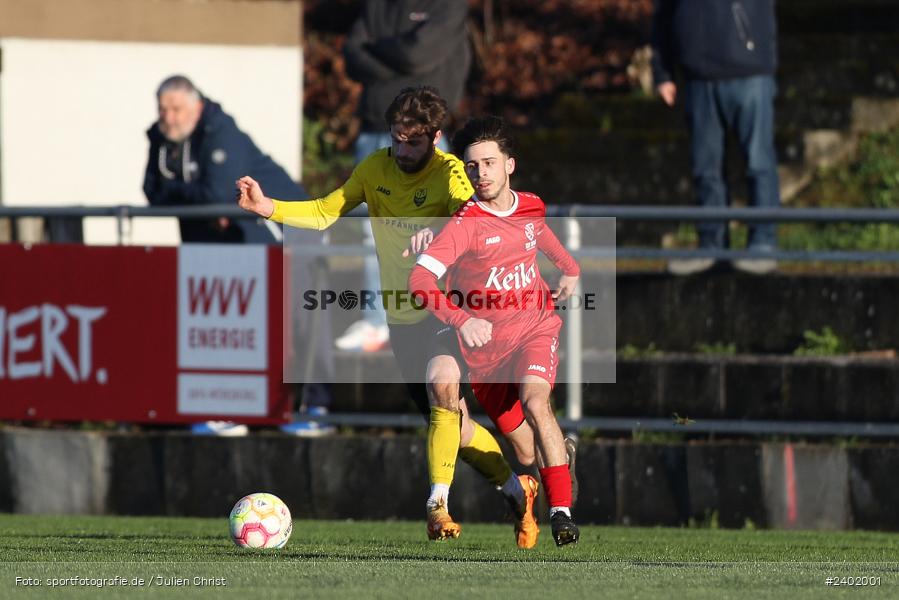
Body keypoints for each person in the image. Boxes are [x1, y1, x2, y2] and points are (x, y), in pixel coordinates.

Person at [236, 86, 541, 546]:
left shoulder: (452, 173)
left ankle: (437, 504)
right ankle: (519, 490)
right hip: (402, 320)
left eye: (412, 142)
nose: (401, 149)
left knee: (443, 387)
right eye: (396, 138)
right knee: (455, 429)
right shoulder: (375, 167)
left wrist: (440, 234)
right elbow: (324, 212)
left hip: (449, 309)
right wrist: (268, 208)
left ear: (435, 138)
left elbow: (476, 216)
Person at [408, 115, 581, 546]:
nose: (480, 173)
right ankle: (563, 457)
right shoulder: (465, 223)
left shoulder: (531, 205)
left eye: (488, 163)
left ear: (509, 165)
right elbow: (418, 282)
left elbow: (540, 234)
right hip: (487, 354)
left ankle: (562, 515)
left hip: (535, 329)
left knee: (536, 401)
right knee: (526, 454)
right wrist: (463, 320)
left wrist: (569, 269)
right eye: (472, 166)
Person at [143, 75, 333, 436]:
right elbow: (152, 192)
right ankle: (233, 409)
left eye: (176, 109)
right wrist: (190, 195)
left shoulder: (221, 131)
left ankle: (317, 407)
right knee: (231, 326)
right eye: (163, 109)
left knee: (301, 319)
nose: (169, 117)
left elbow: (217, 193)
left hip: (287, 234)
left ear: (196, 107)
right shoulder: (161, 136)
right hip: (231, 248)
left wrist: (180, 193)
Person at [336, 0, 472, 352]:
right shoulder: (378, 6)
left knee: (435, 228)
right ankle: (377, 321)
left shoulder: (448, 7)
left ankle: (439, 315)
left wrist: (377, 52)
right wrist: (399, 61)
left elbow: (418, 55)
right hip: (374, 133)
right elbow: (352, 54)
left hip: (428, 137)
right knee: (374, 232)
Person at [651, 0, 780, 275]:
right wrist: (662, 72)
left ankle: (763, 243)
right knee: (705, 168)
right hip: (699, 78)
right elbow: (663, 14)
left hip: (750, 71)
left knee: (758, 163)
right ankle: (712, 244)